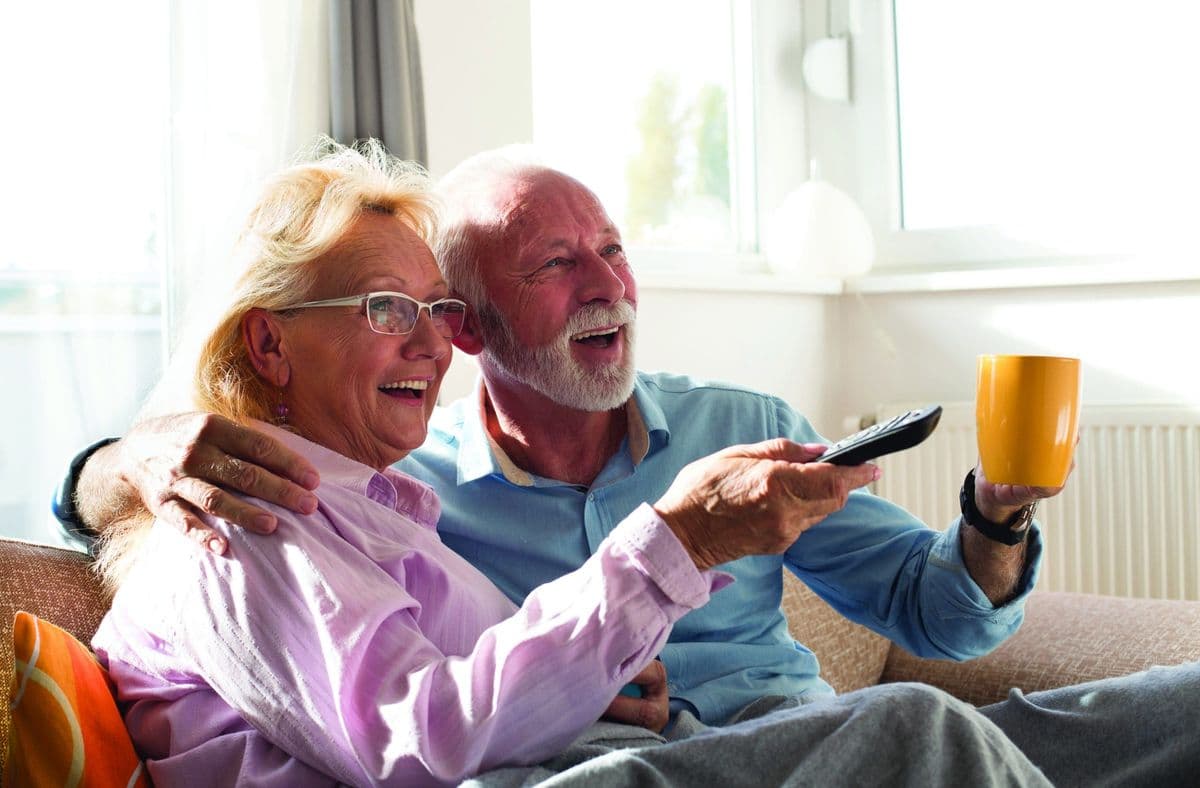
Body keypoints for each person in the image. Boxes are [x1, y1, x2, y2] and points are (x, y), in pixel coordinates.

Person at [63, 146, 1199, 785]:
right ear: (480, 329)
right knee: (918, 727)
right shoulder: (305, 506)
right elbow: (416, 723)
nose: (606, 280)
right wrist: (124, 451)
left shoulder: (727, 425)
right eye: (557, 262)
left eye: (612, 246)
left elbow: (937, 608)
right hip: (669, 766)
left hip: (764, 734)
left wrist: (997, 514)